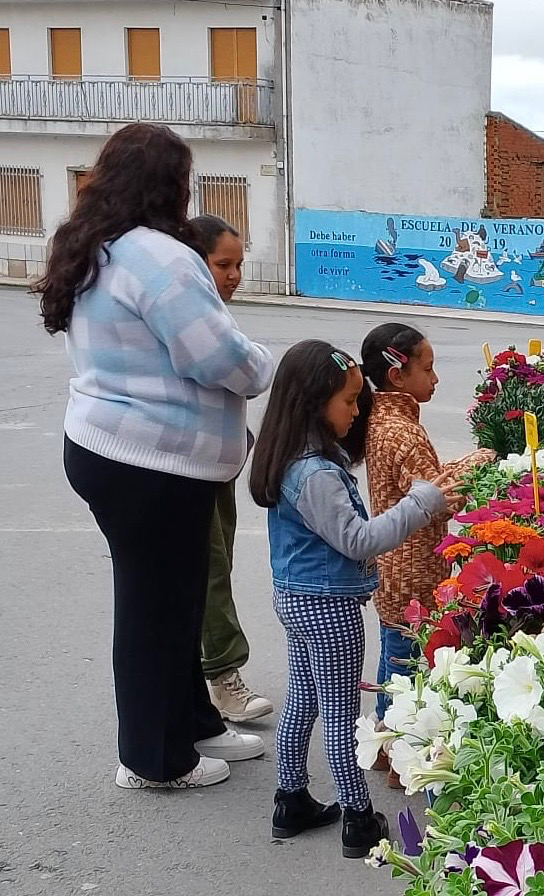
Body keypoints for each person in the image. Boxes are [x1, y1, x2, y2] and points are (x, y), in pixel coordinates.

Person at [39, 123, 275, 789]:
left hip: (118, 451)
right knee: (152, 610)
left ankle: (194, 725)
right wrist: (260, 362)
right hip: (149, 464)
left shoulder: (94, 245)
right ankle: (152, 759)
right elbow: (217, 356)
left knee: (175, 603)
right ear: (169, 183)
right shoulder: (159, 257)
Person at [248, 340, 462, 857]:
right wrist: (422, 501)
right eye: (348, 403)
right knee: (342, 716)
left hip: (297, 599)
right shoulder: (317, 473)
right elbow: (359, 540)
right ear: (312, 404)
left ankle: (290, 798)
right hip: (327, 607)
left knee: (303, 701)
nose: (355, 413)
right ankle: (358, 818)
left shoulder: (293, 457)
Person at [358, 323, 491, 782]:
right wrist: (475, 468)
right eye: (428, 368)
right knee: (410, 667)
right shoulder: (404, 433)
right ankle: (401, 757)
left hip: (389, 565)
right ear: (398, 375)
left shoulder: (382, 418)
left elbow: (424, 485)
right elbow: (436, 503)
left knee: (394, 659)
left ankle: (383, 742)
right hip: (414, 567)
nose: (435, 379)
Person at [188, 214, 273, 722]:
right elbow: (247, 373)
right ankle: (222, 677)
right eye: (223, 264)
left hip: (218, 466)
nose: (234, 274)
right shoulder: (190, 317)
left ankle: (204, 682)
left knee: (216, 566)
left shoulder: (214, 316)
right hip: (188, 467)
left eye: (239, 264)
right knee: (210, 570)